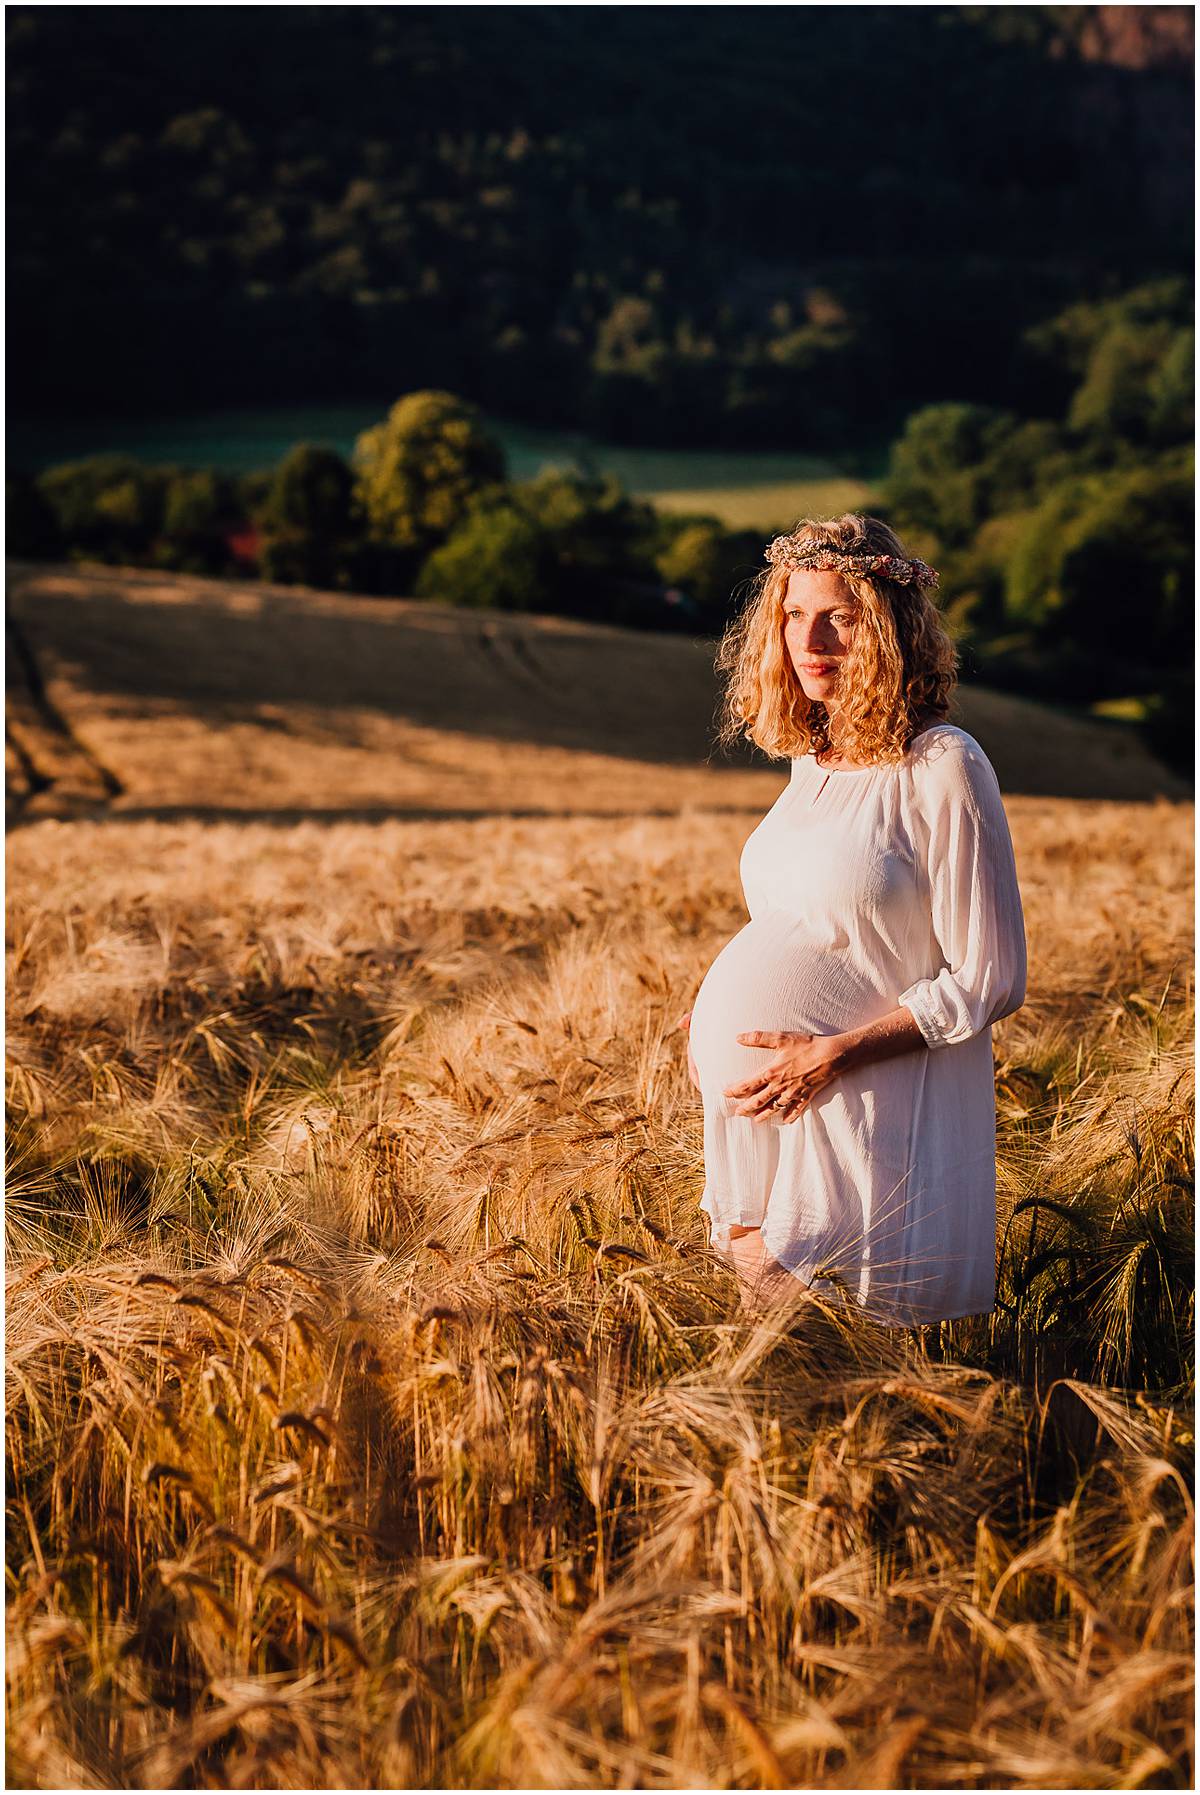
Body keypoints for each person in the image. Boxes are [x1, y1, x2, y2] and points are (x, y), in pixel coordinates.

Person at [677, 513, 1027, 1323]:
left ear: (888, 627)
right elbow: (805, 921)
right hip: (767, 1102)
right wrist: (715, 1016)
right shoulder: (811, 762)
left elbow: (991, 976)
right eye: (795, 614)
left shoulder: (942, 765)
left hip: (861, 1101)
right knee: (789, 1373)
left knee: (828, 1335)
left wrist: (837, 1049)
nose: (812, 638)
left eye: (839, 615)